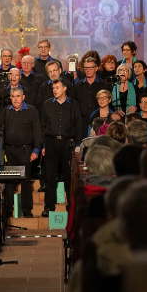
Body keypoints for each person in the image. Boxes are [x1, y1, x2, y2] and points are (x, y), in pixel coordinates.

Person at [40, 79, 83, 217]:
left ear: (64, 88)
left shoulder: (74, 104)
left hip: (67, 144)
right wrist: (43, 145)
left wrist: (77, 145)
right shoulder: (47, 104)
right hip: (51, 143)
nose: (54, 90)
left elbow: (78, 125)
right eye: (53, 88)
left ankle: (71, 206)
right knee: (50, 177)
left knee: (68, 177)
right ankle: (49, 207)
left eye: (57, 87)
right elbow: (42, 126)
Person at [0, 86, 42, 218]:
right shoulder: (6, 111)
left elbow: (37, 131)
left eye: (18, 96)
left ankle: (27, 210)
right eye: (13, 96)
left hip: (26, 151)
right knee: (9, 181)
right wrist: (1, 151)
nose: (16, 99)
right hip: (9, 151)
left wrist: (36, 150)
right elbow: (1, 131)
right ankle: (8, 210)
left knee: (25, 181)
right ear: (10, 98)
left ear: (23, 97)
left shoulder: (32, 110)